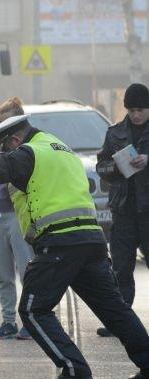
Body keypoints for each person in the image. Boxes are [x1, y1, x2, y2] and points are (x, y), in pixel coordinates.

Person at [0, 115, 149, 379]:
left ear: (15, 140)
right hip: (91, 240)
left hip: (60, 242)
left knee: (32, 309)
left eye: (5, 147)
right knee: (115, 309)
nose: (4, 153)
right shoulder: (60, 148)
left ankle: (73, 368)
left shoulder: (27, 154)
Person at [96, 83, 149, 337]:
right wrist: (116, 166)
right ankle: (120, 322)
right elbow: (102, 167)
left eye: (140, 110)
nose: (136, 115)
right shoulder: (114, 133)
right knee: (121, 268)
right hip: (124, 210)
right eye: (131, 110)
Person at [0, 97, 34, 340]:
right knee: (3, 275)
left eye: (6, 123)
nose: (1, 128)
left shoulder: (24, 149)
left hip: (17, 215)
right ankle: (8, 321)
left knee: (27, 271)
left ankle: (32, 321)